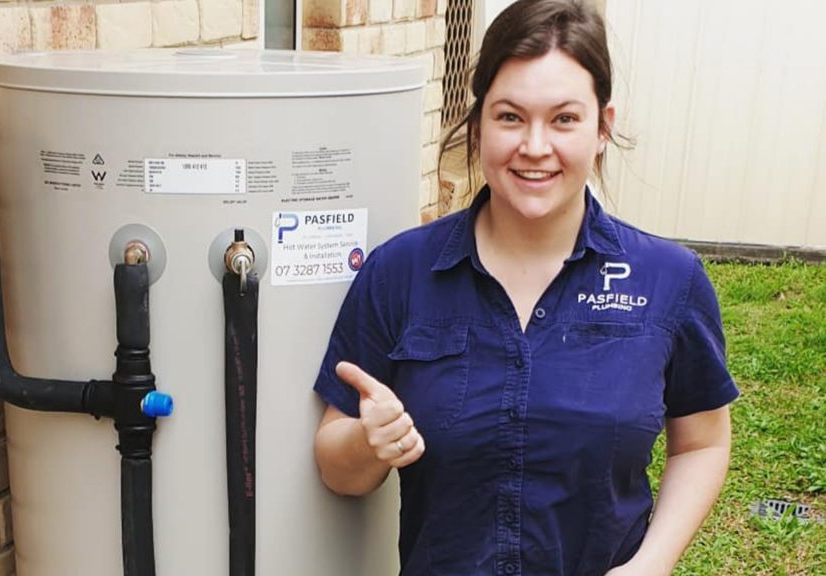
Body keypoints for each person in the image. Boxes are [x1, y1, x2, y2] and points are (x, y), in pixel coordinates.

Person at [312, 1, 739, 575]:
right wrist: (370, 441)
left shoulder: (668, 280)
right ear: (478, 120)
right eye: (510, 116)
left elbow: (703, 443)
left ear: (603, 127)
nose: (535, 146)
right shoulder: (399, 273)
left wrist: (651, 564)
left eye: (564, 119)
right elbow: (337, 467)